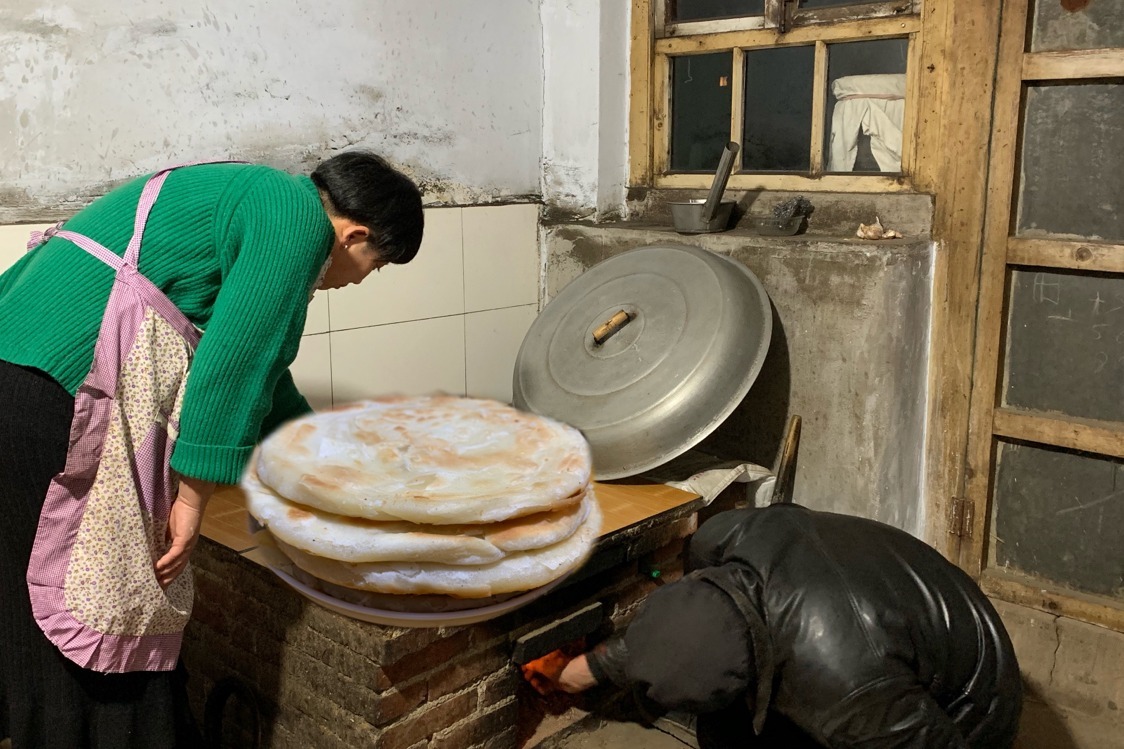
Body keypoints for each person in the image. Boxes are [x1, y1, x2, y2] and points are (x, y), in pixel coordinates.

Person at [0, 151, 423, 748]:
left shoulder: (253, 192)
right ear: (355, 235)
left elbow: (265, 374)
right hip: (49, 395)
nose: (356, 280)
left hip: (18, 374)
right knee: (105, 600)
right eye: (373, 266)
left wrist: (332, 457)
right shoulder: (297, 219)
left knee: (36, 602)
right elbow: (234, 367)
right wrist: (192, 504)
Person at [552, 503, 1023, 749]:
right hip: (898, 595)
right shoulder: (723, 536)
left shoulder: (847, 693)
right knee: (723, 734)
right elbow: (675, 635)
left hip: (972, 700)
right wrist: (587, 668)